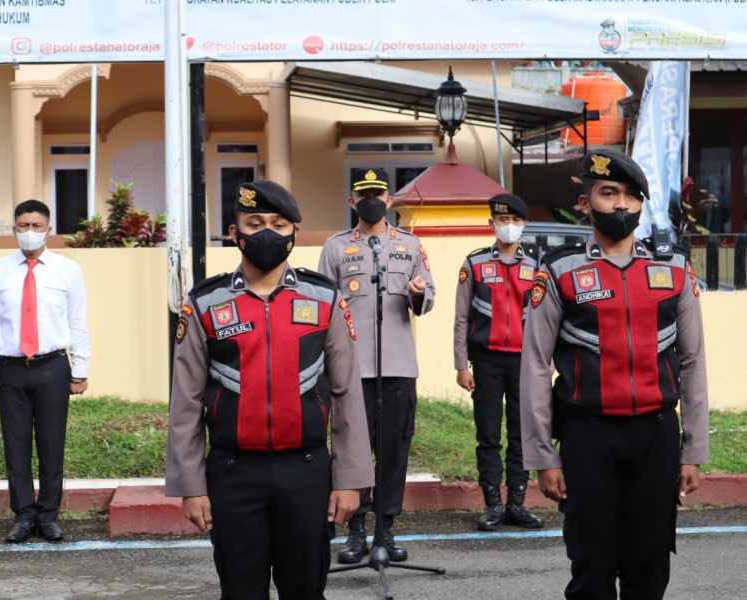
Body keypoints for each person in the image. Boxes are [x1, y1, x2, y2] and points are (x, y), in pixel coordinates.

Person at [165, 180, 373, 600]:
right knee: (241, 592)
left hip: (307, 471)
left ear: (295, 233)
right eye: (254, 222)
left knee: (305, 590)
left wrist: (351, 480)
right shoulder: (204, 303)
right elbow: (185, 402)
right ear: (234, 232)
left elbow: (347, 392)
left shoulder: (324, 298)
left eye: (279, 224)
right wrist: (191, 485)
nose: (267, 233)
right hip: (233, 474)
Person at [520, 149, 709, 599]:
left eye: (630, 196)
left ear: (642, 204)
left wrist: (694, 449)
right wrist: (543, 456)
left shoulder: (674, 268)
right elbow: (533, 366)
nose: (621, 205)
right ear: (586, 203)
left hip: (656, 435)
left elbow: (693, 361)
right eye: (608, 193)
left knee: (650, 570)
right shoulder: (559, 271)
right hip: (588, 437)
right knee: (592, 569)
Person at [318, 168, 435, 564]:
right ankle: (355, 533)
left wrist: (418, 294)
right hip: (352, 369)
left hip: (399, 366)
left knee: (393, 451)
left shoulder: (411, 246)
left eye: (378, 194)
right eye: (363, 195)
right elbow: (322, 306)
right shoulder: (335, 248)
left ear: (389, 201)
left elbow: (427, 296)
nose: (371, 200)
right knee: (352, 450)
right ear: (353, 201)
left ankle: (385, 530)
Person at [0, 199, 90, 544]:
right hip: (10, 370)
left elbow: (78, 322)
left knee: (52, 444)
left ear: (48, 229)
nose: (30, 233)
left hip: (52, 367)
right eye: (23, 226)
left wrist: (80, 369)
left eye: (37, 226)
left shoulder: (67, 271)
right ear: (14, 229)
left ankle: (49, 515)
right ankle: (24, 514)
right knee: (16, 445)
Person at [454, 193, 544, 531]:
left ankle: (517, 504)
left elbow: (546, 319)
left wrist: (546, 361)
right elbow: (462, 318)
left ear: (524, 224)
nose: (509, 227)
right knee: (488, 433)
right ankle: (492, 504)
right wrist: (461, 364)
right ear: (492, 223)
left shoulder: (536, 266)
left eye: (516, 221)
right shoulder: (474, 264)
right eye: (503, 221)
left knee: (522, 433)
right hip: (486, 361)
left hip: (525, 362)